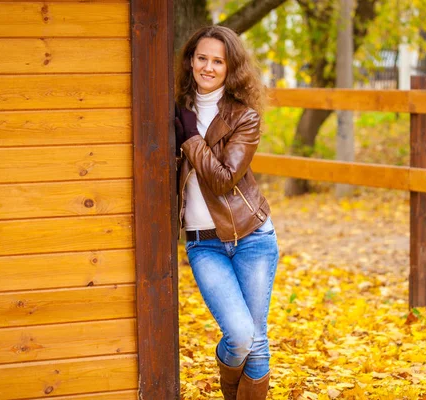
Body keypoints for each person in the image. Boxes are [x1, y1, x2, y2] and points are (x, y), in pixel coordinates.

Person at [174, 25, 279, 400]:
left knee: (257, 340)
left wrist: (190, 139)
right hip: (205, 245)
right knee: (238, 335)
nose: (208, 67)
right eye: (201, 58)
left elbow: (222, 180)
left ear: (229, 67)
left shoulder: (243, 117)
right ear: (190, 61)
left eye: (217, 61)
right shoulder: (171, 110)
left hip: (253, 238)